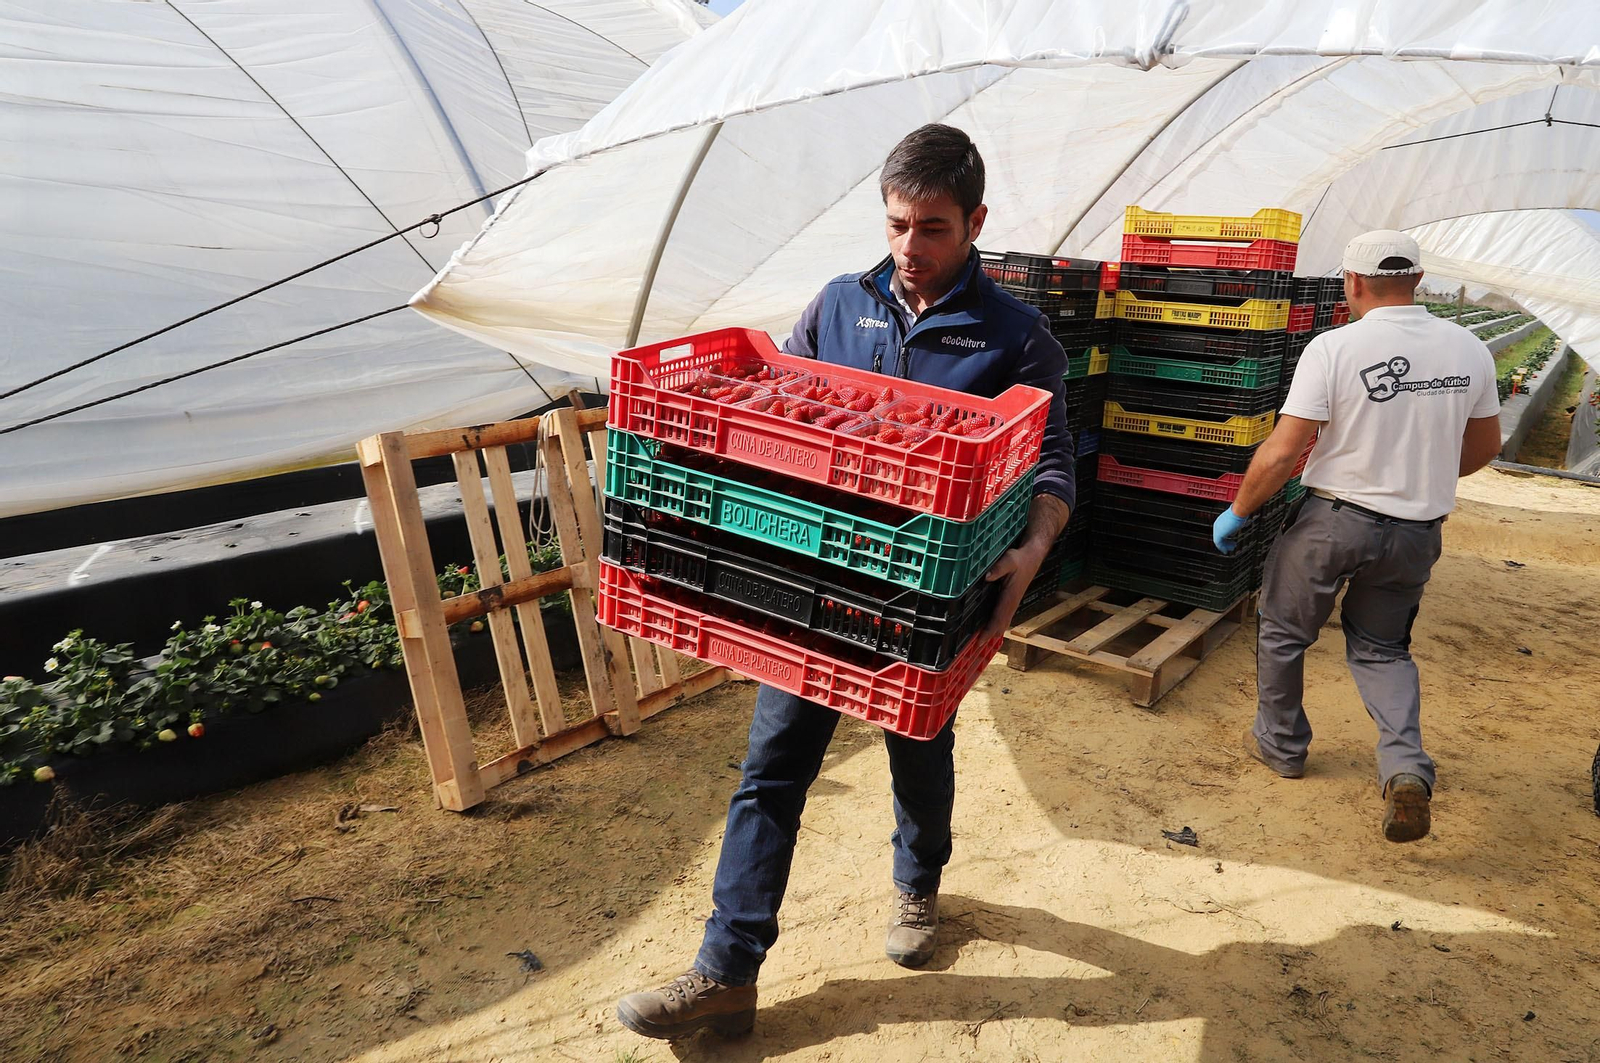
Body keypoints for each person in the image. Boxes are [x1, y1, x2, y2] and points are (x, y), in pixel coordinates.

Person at [615, 124, 1076, 1041]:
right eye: (898, 224)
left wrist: (1034, 543)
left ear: (976, 222)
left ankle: (918, 879)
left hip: (926, 591)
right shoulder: (837, 303)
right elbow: (784, 405)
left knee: (919, 747)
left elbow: (1053, 459)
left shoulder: (1017, 337)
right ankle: (727, 970)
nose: (910, 247)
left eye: (933, 228)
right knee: (771, 767)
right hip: (818, 578)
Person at [1210, 229, 1502, 844]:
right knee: (1383, 648)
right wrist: (1415, 476)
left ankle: (1283, 747)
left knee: (1285, 631)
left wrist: (1238, 510)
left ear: (1353, 282)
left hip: (1334, 521)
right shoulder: (1470, 349)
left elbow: (1282, 452)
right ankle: (1404, 767)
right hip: (1416, 531)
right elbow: (1484, 447)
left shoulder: (1335, 348)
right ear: (1417, 280)